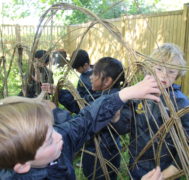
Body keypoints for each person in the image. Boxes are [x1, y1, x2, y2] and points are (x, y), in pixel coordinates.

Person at [0, 75, 160, 180]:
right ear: (22, 166)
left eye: (53, 129)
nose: (59, 136)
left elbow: (87, 119)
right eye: (49, 141)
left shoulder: (57, 138)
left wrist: (124, 94)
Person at [114, 43, 189, 179]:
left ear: (178, 74)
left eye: (171, 71)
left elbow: (186, 146)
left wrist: (165, 175)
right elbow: (124, 127)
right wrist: (116, 116)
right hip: (136, 164)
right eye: (159, 68)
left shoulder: (181, 103)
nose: (164, 75)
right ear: (150, 68)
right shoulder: (138, 95)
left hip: (164, 170)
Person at [82, 57, 125, 180]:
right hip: (102, 153)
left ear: (107, 81)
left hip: (102, 156)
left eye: (94, 73)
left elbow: (84, 119)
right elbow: (81, 103)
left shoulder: (108, 102)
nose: (90, 77)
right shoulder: (100, 96)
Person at [43, 49, 94, 114]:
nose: (76, 70)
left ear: (85, 65)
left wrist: (60, 93)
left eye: (77, 68)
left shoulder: (91, 82)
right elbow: (77, 94)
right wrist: (58, 91)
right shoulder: (85, 75)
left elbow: (80, 101)